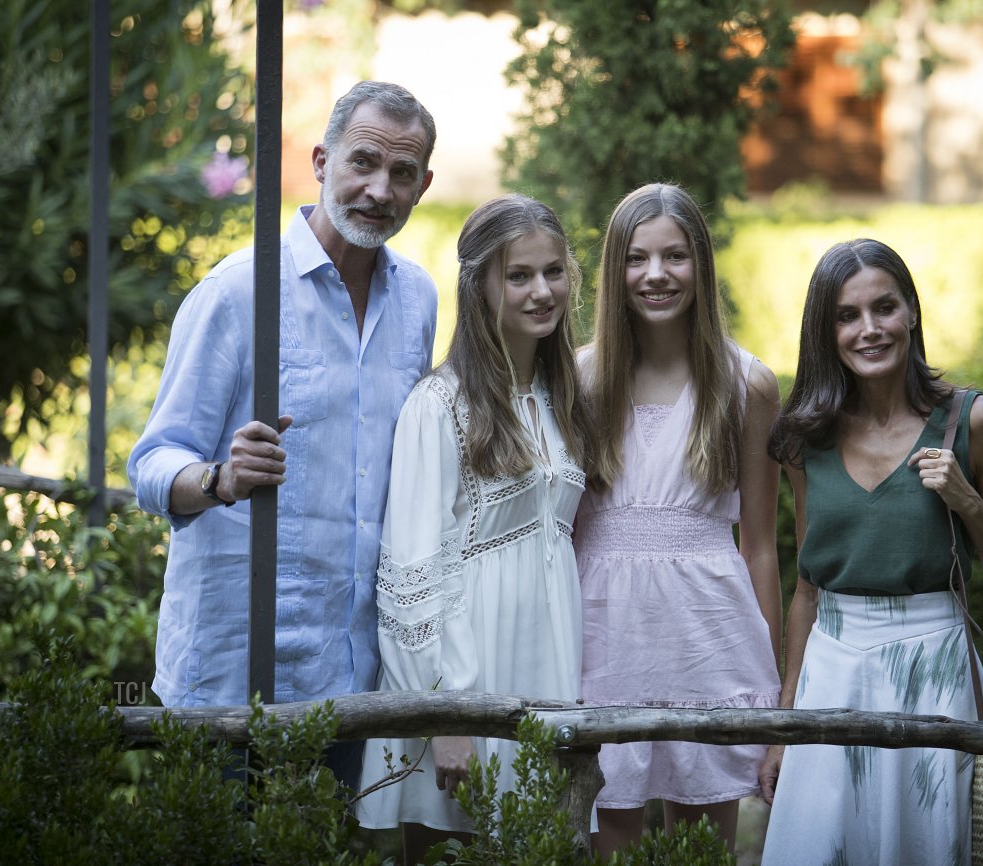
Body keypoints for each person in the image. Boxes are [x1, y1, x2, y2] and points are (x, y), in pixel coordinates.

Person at [127, 81, 439, 789]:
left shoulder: (419, 299)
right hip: (234, 680)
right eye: (363, 162)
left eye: (401, 173)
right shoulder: (240, 292)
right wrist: (218, 479)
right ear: (322, 161)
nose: (379, 190)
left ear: (424, 186)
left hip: (351, 683)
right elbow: (151, 463)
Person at [758, 238, 983, 865]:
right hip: (831, 670)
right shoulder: (807, 436)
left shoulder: (976, 421)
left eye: (884, 308)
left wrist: (967, 502)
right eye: (847, 316)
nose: (869, 329)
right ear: (825, 332)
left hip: (935, 670)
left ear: (912, 310)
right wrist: (783, 727)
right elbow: (807, 590)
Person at [353, 194, 591, 861]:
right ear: (480, 282)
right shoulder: (439, 405)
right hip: (468, 672)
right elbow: (409, 580)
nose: (542, 291)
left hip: (547, 658)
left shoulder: (562, 396)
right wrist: (446, 719)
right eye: (519, 275)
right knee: (456, 847)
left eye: (553, 272)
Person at [573, 183, 783, 857]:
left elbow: (760, 548)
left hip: (710, 639)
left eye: (675, 256)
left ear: (702, 264)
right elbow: (563, 535)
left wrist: (775, 699)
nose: (657, 275)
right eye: (637, 258)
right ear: (615, 270)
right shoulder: (579, 380)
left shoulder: (744, 382)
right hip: (604, 635)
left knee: (702, 846)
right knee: (613, 839)